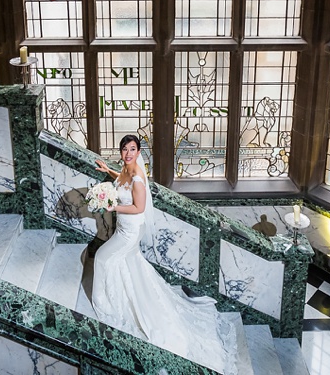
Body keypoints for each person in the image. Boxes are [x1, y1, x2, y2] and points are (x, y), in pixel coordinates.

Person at [91, 134, 236, 375]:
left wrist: (113, 206)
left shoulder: (137, 175)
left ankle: (105, 304)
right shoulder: (126, 169)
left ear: (139, 152)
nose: (128, 153)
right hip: (124, 227)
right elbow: (121, 183)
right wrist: (109, 172)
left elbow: (138, 206)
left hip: (130, 231)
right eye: (125, 149)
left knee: (104, 258)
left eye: (133, 149)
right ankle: (123, 299)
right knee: (129, 265)